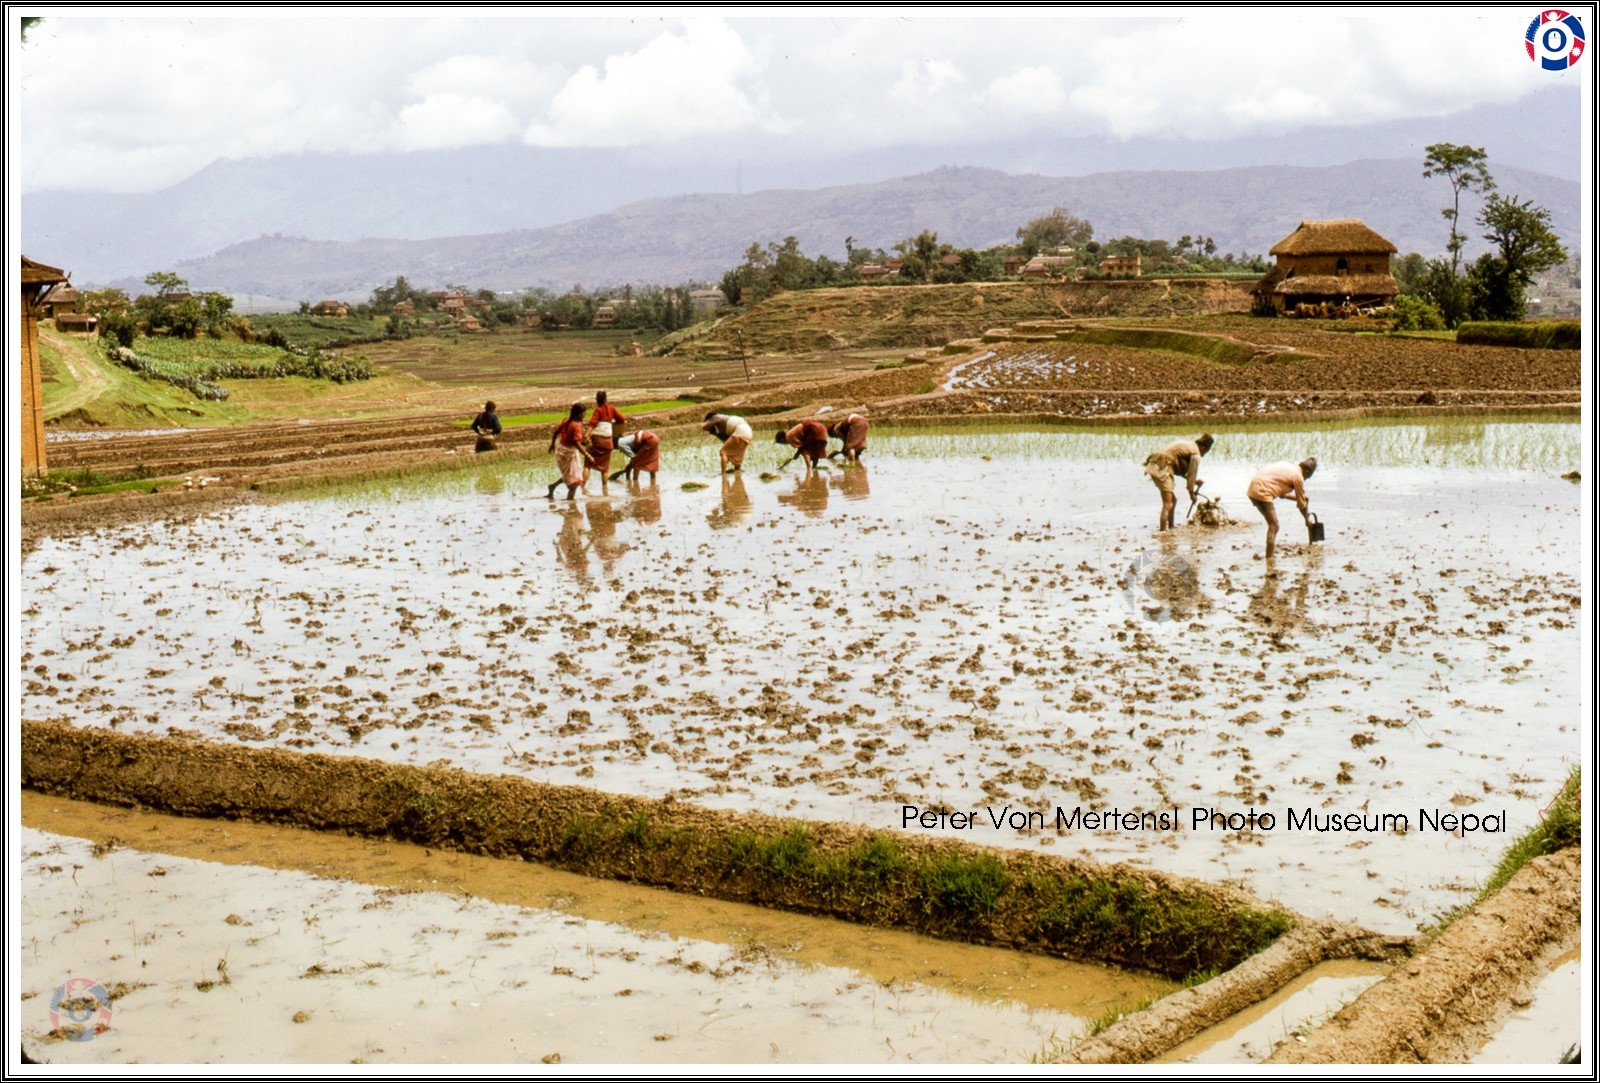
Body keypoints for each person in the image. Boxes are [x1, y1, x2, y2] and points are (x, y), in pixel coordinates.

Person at [1247, 457, 1317, 559]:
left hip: (1253, 488)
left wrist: (1299, 498)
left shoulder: (1289, 468)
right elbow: (1302, 505)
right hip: (1263, 491)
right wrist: (1307, 519)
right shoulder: (1298, 477)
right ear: (1307, 471)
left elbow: (1282, 494)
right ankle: (1269, 560)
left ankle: (1269, 556)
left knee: (1273, 524)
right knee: (1274, 525)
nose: (1305, 479)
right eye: (1308, 476)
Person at [1143, 433, 1214, 531]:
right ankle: (1162, 533)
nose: (1203, 455)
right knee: (1167, 504)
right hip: (1162, 468)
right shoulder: (1196, 454)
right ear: (1203, 448)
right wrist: (1192, 495)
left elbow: (1181, 470)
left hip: (1158, 465)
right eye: (1205, 452)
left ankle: (1171, 527)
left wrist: (1195, 481)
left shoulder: (1189, 445)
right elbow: (1191, 475)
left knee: (1173, 501)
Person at [546, 402, 589, 501]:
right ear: (579, 414)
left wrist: (552, 445)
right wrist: (587, 454)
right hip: (568, 453)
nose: (585, 415)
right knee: (575, 482)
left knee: (569, 475)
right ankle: (570, 505)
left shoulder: (567, 421)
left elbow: (556, 433)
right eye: (584, 413)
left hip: (561, 451)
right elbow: (576, 442)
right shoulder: (576, 425)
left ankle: (553, 486)